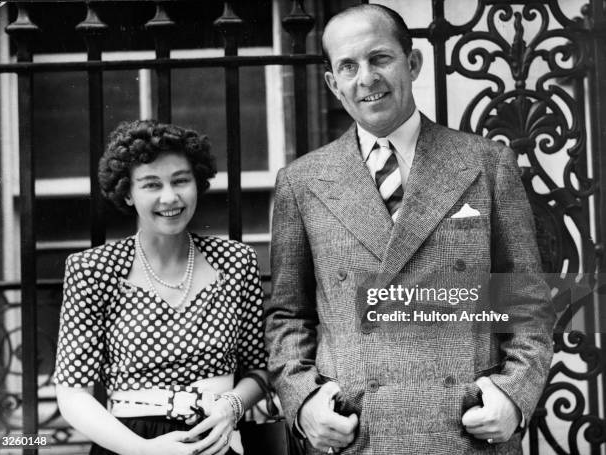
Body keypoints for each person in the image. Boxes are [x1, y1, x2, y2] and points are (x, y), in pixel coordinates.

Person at [266, 4, 554, 454]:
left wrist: (513, 397)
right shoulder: (302, 182)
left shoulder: (485, 164)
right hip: (357, 435)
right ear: (333, 83)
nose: (366, 78)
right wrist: (303, 403)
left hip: (466, 432)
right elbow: (288, 316)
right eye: (348, 66)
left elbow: (526, 303)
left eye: (380, 58)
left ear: (412, 62)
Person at [54, 120, 269, 455]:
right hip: (131, 442)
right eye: (151, 185)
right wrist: (143, 449)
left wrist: (233, 406)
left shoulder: (236, 261)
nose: (170, 197)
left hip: (217, 439)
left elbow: (259, 368)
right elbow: (72, 393)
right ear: (127, 192)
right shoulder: (93, 269)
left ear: (197, 183)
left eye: (180, 181)